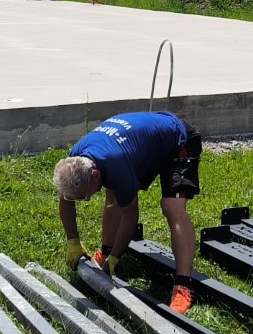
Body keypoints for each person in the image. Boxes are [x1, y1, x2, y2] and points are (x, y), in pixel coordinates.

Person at [53, 111, 201, 315]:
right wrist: (73, 243)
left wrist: (116, 257)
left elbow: (130, 216)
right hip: (141, 142)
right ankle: (104, 252)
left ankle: (184, 285)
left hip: (177, 139)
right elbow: (66, 199)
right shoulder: (75, 159)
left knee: (171, 206)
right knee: (113, 193)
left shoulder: (115, 164)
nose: (84, 200)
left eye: (84, 196)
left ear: (95, 175)